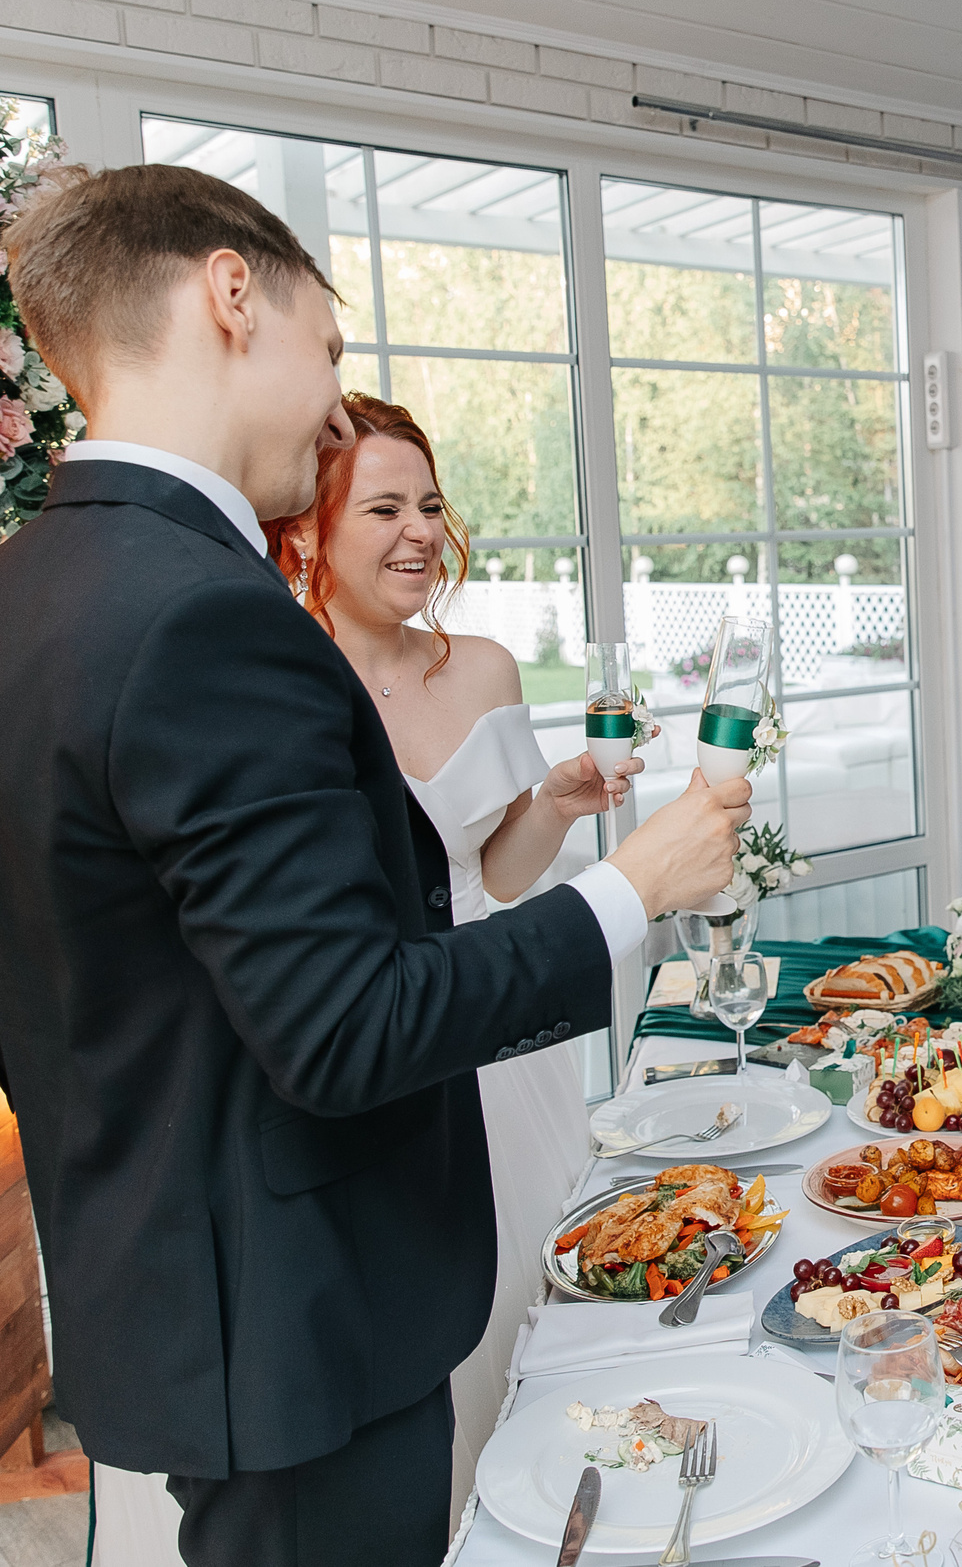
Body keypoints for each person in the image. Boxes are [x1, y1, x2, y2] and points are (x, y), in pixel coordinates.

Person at [0, 164, 750, 1567]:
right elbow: (348, 1025)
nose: (330, 405)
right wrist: (636, 885)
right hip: (301, 1321)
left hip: (177, 1302)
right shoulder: (209, 617)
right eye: (330, 348)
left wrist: (151, 1174)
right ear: (231, 296)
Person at [263, 394, 633, 1517]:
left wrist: (559, 801)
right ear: (311, 527)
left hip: (502, 1040)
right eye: (384, 508)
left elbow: (495, 878)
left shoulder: (482, 667)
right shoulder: (278, 677)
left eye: (429, 504)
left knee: (542, 1310)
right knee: (427, 1341)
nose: (420, 531)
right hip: (382, 1038)